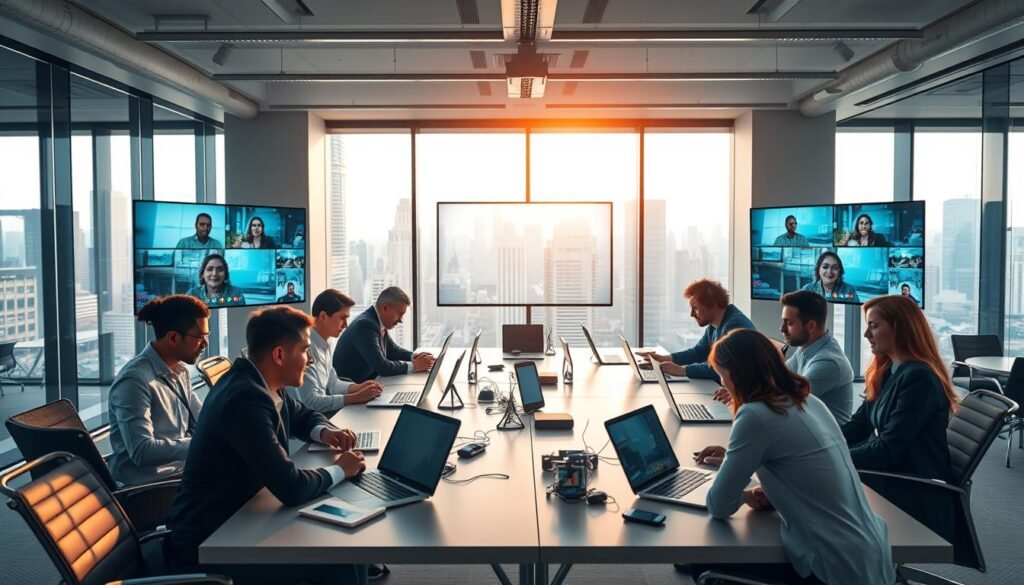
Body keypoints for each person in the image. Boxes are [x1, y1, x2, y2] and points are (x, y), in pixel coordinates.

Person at [164, 306, 368, 585]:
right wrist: (341, 470)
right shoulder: (244, 399)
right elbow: (292, 487)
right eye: (305, 350)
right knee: (341, 558)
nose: (310, 360)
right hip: (212, 541)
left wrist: (326, 432)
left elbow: (303, 415)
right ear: (279, 355)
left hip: (245, 517)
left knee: (349, 550)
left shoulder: (261, 379)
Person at [691, 329, 893, 585]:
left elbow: (719, 505)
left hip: (831, 566)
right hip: (870, 553)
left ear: (736, 374)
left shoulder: (755, 414)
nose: (723, 384)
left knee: (701, 560)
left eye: (722, 375)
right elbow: (800, 466)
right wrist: (766, 486)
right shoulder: (809, 401)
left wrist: (744, 494)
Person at [842, 295, 957, 540]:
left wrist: (831, 456)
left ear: (899, 328)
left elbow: (886, 450)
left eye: (874, 326)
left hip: (911, 488)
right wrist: (819, 444)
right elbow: (858, 425)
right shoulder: (887, 370)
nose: (866, 334)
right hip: (893, 473)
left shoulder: (919, 379)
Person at [108, 295, 209, 486]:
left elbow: (203, 418)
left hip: (182, 473)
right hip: (152, 488)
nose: (205, 344)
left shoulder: (179, 370)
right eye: (200, 337)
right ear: (173, 338)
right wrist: (200, 443)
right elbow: (142, 451)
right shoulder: (134, 381)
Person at [639, 279, 754, 381]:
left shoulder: (735, 327)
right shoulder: (714, 325)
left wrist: (682, 370)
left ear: (712, 305)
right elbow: (699, 352)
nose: (692, 314)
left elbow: (721, 368)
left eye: (695, 308)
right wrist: (667, 358)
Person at [289, 289, 383, 414]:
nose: (345, 325)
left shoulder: (324, 344)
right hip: (310, 418)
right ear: (323, 316)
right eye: (342, 318)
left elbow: (332, 383)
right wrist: (356, 397)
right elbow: (311, 402)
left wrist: (359, 387)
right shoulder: (306, 349)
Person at [333, 286, 434, 383]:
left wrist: (414, 356)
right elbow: (382, 367)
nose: (401, 320)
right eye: (399, 314)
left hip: (369, 381)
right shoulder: (365, 325)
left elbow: (392, 350)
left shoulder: (375, 321)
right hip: (354, 388)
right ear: (385, 307)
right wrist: (414, 366)